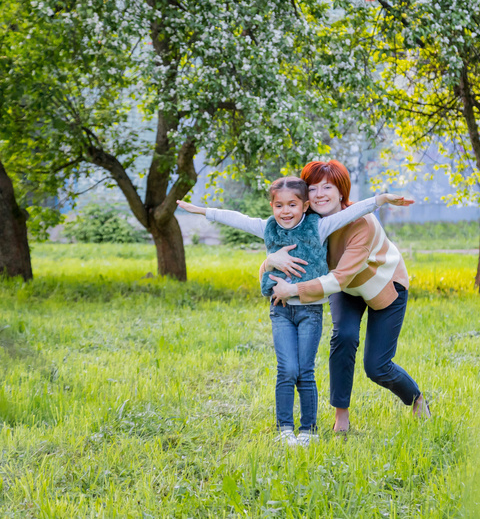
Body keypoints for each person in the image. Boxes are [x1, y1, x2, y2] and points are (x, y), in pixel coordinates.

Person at [177, 177, 412, 446]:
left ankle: (308, 430)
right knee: (286, 369)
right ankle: (285, 429)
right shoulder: (269, 228)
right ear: (272, 206)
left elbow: (352, 212)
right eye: (279, 205)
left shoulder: (319, 226)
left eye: (292, 204)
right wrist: (202, 210)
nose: (285, 211)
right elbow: (237, 218)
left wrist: (380, 200)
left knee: (305, 371)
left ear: (305, 205)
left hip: (311, 310)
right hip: (280, 310)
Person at [264, 160, 430, 434]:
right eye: (313, 188)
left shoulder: (360, 222)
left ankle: (417, 398)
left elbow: (340, 276)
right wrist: (272, 260)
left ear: (341, 191)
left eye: (327, 187)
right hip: (344, 288)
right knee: (343, 338)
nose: (319, 194)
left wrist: (293, 290)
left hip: (384, 287)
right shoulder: (307, 224)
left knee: (377, 366)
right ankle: (342, 417)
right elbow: (277, 254)